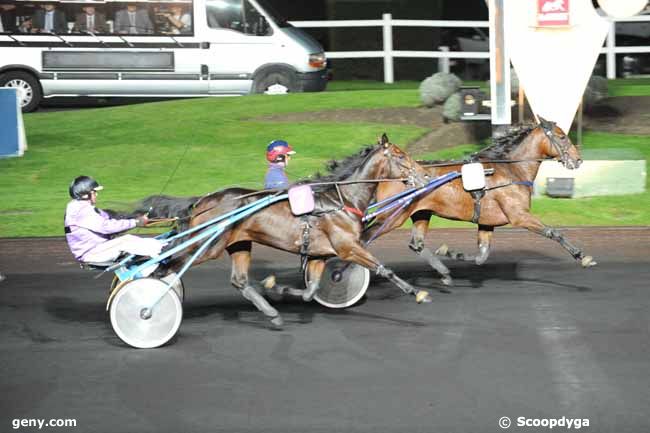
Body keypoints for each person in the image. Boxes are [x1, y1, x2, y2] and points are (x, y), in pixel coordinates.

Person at [64, 176, 163, 264]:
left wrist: (134, 219)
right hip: (92, 253)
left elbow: (109, 220)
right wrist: (136, 222)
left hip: (96, 249)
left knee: (129, 240)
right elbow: (106, 226)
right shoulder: (81, 210)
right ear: (85, 195)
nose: (96, 195)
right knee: (129, 241)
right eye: (94, 192)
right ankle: (160, 256)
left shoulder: (79, 207)